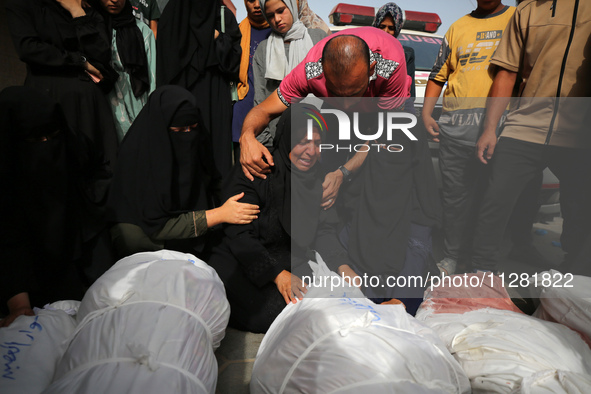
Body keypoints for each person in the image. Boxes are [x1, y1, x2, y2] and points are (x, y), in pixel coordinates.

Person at [209, 106, 354, 333]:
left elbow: (324, 230)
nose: (311, 151)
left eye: (317, 143)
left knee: (319, 305)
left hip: (287, 258)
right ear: (286, 138)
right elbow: (239, 235)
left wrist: (343, 267)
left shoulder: (316, 178)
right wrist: (276, 274)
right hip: (243, 258)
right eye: (303, 141)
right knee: (270, 315)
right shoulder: (257, 170)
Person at [472, 0, 591, 272]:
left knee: (580, 212)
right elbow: (507, 71)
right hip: (524, 125)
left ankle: (573, 279)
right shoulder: (526, 10)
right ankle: (480, 274)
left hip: (580, 133)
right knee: (495, 201)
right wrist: (490, 129)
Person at [240, 27, 411, 210]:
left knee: (383, 168)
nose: (346, 106)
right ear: (324, 73)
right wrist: (247, 136)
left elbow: (384, 132)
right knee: (327, 166)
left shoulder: (390, 65)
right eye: (336, 93)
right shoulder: (309, 71)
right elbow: (264, 110)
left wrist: (343, 173)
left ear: (371, 71)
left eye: (353, 94)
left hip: (383, 111)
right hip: (337, 107)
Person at [422, 0, 526, 274]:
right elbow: (438, 74)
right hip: (455, 131)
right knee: (455, 200)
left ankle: (483, 264)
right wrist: (426, 113)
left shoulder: (517, 18)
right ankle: (453, 255)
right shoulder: (458, 28)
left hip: (503, 130)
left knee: (493, 201)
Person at [0, 87, 114, 327]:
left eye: (52, 136)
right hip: (23, 281)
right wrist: (19, 304)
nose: (46, 145)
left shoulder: (73, 147)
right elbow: (8, 241)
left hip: (74, 253)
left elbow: (98, 174)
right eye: (35, 140)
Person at [107, 86, 260, 260]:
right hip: (143, 234)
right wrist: (219, 215)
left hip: (187, 225)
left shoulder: (198, 141)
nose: (188, 135)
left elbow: (213, 181)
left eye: (192, 128)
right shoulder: (137, 157)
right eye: (179, 131)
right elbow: (157, 225)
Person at [6, 0, 120, 179]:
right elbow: (28, 48)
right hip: (49, 97)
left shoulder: (87, 9)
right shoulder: (24, 4)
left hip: (88, 104)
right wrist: (80, 61)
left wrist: (76, 11)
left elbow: (101, 53)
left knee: (99, 173)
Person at [157, 0, 241, 179]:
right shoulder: (173, 16)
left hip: (216, 96)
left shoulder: (222, 15)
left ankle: (220, 204)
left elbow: (234, 62)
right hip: (182, 99)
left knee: (217, 158)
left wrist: (219, 38)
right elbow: (167, 64)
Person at [252, 0, 328, 147]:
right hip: (278, 140)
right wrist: (267, 144)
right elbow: (260, 100)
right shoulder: (264, 49)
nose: (277, 19)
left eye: (281, 11)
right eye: (270, 15)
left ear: (293, 7)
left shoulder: (318, 39)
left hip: (318, 137)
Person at [92, 0, 157, 141]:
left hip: (137, 104)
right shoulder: (91, 31)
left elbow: (153, 78)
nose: (114, 0)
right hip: (104, 104)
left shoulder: (142, 31)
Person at [232, 0, 272, 163]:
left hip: (271, 111)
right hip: (242, 111)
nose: (256, 5)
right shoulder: (237, 32)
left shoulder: (279, 31)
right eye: (250, 0)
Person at [373, 2, 416, 98]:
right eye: (382, 26)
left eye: (391, 28)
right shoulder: (365, 48)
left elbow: (409, 92)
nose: (385, 31)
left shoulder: (406, 54)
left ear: (397, 29)